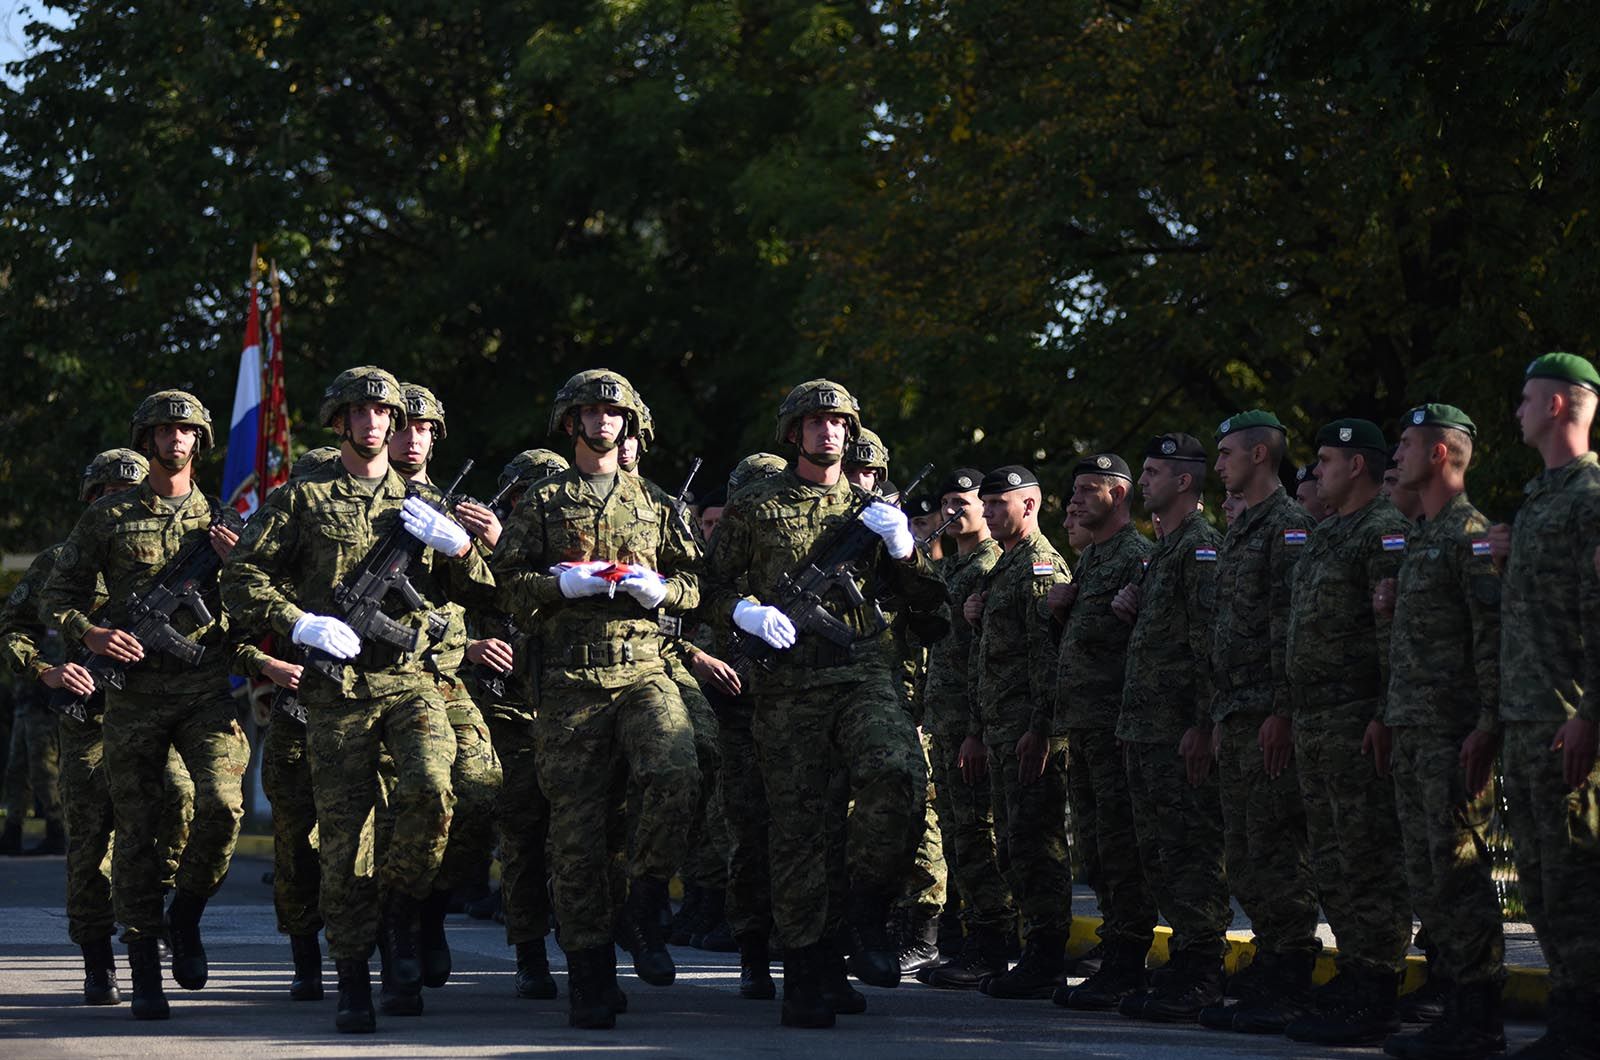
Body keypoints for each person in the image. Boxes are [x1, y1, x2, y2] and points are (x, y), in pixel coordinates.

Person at [223, 366, 496, 1033]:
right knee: (344, 844)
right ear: (341, 421)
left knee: (434, 790)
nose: (375, 424)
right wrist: (298, 623)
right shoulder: (302, 499)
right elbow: (241, 577)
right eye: (362, 413)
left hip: (411, 682)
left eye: (386, 414)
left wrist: (461, 547)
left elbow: (492, 593)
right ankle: (351, 973)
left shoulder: (424, 502)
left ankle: (404, 914)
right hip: (337, 693)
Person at [706, 380, 942, 1028]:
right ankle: (812, 971)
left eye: (838, 422)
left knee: (898, 772)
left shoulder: (871, 511)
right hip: (787, 688)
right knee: (802, 836)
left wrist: (905, 548)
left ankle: (870, 910)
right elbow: (706, 588)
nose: (828, 431)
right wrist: (743, 611)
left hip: (863, 672)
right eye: (814, 422)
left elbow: (929, 609)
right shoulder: (755, 506)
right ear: (793, 433)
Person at [491, 369, 702, 1030]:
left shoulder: (657, 501)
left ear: (630, 424)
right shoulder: (545, 500)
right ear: (572, 421)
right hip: (570, 686)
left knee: (677, 769)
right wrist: (563, 588)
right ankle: (590, 974)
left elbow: (698, 583)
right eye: (592, 411)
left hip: (643, 670)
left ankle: (644, 901)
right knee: (578, 838)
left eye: (615, 413)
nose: (604, 421)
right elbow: (506, 585)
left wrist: (661, 591)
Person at [42, 391, 252, 1022]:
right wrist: (91, 633)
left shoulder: (220, 519)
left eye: (186, 430)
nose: (176, 440)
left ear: (201, 441)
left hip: (203, 691)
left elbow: (256, 601)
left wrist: (233, 561)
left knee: (219, 803)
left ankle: (184, 912)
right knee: (133, 833)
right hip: (132, 700)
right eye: (164, 430)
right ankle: (141, 971)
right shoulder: (107, 517)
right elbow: (58, 594)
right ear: (147, 439)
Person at [0, 448, 193, 1003]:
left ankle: (151, 915)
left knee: (178, 804)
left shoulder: (168, 556)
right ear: (90, 501)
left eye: (128, 494)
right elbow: (14, 630)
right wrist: (46, 670)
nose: (118, 505)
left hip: (155, 711)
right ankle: (96, 956)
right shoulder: (61, 562)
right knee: (91, 841)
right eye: (106, 495)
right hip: (88, 719)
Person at [1374, 404, 1506, 1060]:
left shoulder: (1469, 534)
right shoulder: (1422, 536)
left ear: (1437, 455)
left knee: (1460, 875)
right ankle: (1453, 1002)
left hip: (1454, 735)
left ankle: (1479, 1015)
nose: (1393, 456)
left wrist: (1487, 727)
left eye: (1404, 445)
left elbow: (1490, 640)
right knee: (1431, 879)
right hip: (1415, 731)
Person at [1278, 418, 1413, 1046]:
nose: (1317, 470)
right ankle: (1356, 971)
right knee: (1333, 861)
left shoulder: (1382, 531)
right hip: (1315, 724)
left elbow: (1392, 637)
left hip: (1357, 721)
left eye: (1326, 459)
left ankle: (1378, 984)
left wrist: (1384, 714)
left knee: (1367, 860)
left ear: (1356, 465)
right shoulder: (1329, 535)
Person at [1488, 353, 1600, 1059]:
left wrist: (1590, 713)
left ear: (1558, 405)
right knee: (1541, 876)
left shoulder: (1590, 498)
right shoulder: (1541, 498)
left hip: (1568, 718)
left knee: (1576, 877)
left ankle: (1586, 1020)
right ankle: (1571, 1014)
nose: (1518, 412)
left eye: (1527, 400)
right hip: (1527, 717)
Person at [1200, 410, 1322, 1035]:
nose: (1217, 466)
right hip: (1238, 714)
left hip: (1269, 715)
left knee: (1276, 850)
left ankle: (1292, 974)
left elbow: (1289, 628)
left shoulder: (1289, 527)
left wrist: (1282, 710)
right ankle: (1274, 964)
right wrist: (1223, 713)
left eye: (1225, 454)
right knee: (1246, 855)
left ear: (1258, 456)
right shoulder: (1245, 529)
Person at [1042, 454, 1157, 1012]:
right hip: (1083, 726)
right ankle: (1115, 956)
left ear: (1119, 495)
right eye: (1074, 489)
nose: (1076, 500)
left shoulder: (1135, 556)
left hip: (1113, 726)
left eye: (1089, 490)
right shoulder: (1093, 559)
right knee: (1095, 847)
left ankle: (1126, 961)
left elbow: (1140, 644)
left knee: (1118, 848)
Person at [960, 466, 1073, 1000]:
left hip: (1031, 734)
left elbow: (1048, 657)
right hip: (1003, 731)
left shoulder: (1039, 566)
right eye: (986, 503)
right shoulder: (1003, 568)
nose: (989, 511)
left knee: (1036, 844)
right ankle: (1033, 950)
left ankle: (1047, 954)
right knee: (1013, 844)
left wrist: (1042, 730)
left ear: (1030, 505)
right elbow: (993, 657)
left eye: (1000, 503)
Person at [921, 468, 1011, 991]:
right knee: (959, 834)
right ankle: (967, 936)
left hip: (975, 722)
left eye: (965, 502)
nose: (954, 512)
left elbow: (989, 659)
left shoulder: (991, 566)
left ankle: (990, 942)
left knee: (979, 833)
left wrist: (978, 726)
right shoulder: (953, 570)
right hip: (947, 720)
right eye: (947, 504)